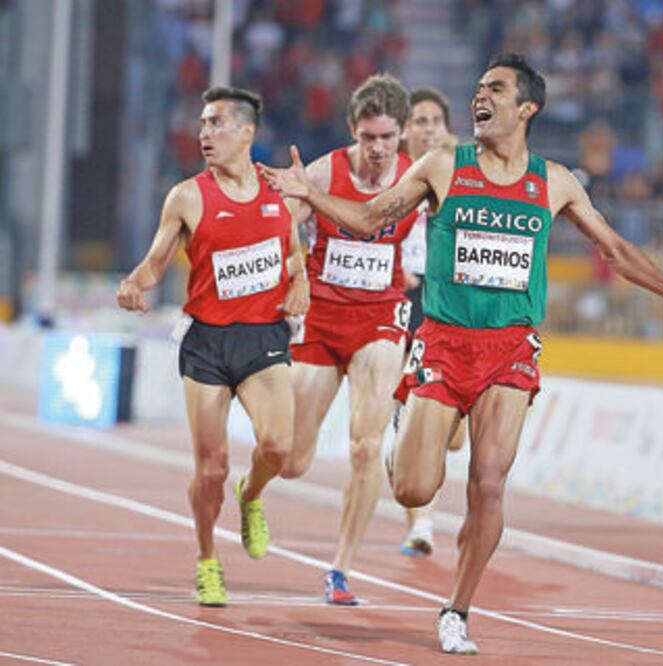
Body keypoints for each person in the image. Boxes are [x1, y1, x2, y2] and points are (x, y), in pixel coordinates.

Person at [263, 52, 663, 654]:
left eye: (495, 89)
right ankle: (408, 425)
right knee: (415, 490)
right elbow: (370, 219)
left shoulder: (554, 182)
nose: (481, 96)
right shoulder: (444, 165)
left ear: (526, 108)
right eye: (478, 87)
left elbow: (616, 249)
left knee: (489, 485)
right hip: (444, 343)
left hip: (510, 348)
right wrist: (308, 196)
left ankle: (457, 610)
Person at [116, 86, 309, 607]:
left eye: (216, 123)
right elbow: (155, 263)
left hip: (263, 337)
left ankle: (252, 497)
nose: (204, 133)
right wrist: (135, 283)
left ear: (247, 132)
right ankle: (207, 560)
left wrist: (300, 281)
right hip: (206, 344)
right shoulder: (187, 196)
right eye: (202, 124)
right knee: (211, 467)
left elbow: (292, 255)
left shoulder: (279, 193)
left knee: (279, 449)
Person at [277, 73, 419, 606]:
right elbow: (284, 223)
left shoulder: (414, 177)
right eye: (369, 138)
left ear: (402, 134)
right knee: (293, 459)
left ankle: (340, 567)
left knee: (366, 446)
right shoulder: (322, 172)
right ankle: (257, 487)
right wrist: (295, 273)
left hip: (381, 318)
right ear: (352, 133)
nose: (378, 149)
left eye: (387, 137)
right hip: (321, 318)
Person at [397, 86, 466, 558]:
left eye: (434, 121)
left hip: (449, 297)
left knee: (456, 438)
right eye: (417, 121)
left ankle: (403, 453)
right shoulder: (394, 174)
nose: (426, 128)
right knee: (416, 408)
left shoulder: (463, 171)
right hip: (402, 299)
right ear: (404, 132)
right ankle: (421, 520)